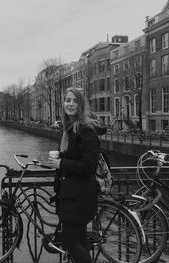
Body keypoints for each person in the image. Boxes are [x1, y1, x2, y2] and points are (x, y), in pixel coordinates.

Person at [48, 87, 106, 263]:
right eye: (67, 100)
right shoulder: (70, 128)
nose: (70, 104)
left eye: (74, 101)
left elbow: (90, 165)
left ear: (81, 104)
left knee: (69, 243)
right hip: (73, 195)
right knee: (80, 240)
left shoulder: (85, 130)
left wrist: (61, 163)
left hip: (79, 196)